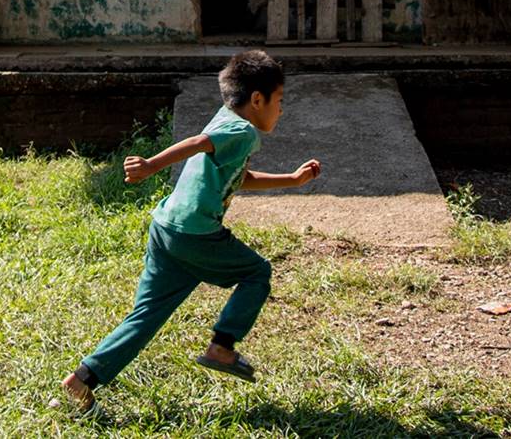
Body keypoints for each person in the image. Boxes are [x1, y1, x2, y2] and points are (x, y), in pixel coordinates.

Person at [62, 49, 321, 412]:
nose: (281, 110)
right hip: (195, 234)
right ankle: (222, 346)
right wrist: (151, 165)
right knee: (257, 273)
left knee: (146, 315)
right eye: (279, 100)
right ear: (257, 100)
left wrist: (291, 180)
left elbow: (237, 176)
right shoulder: (242, 130)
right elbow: (198, 144)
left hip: (166, 228)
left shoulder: (225, 118)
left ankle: (82, 379)